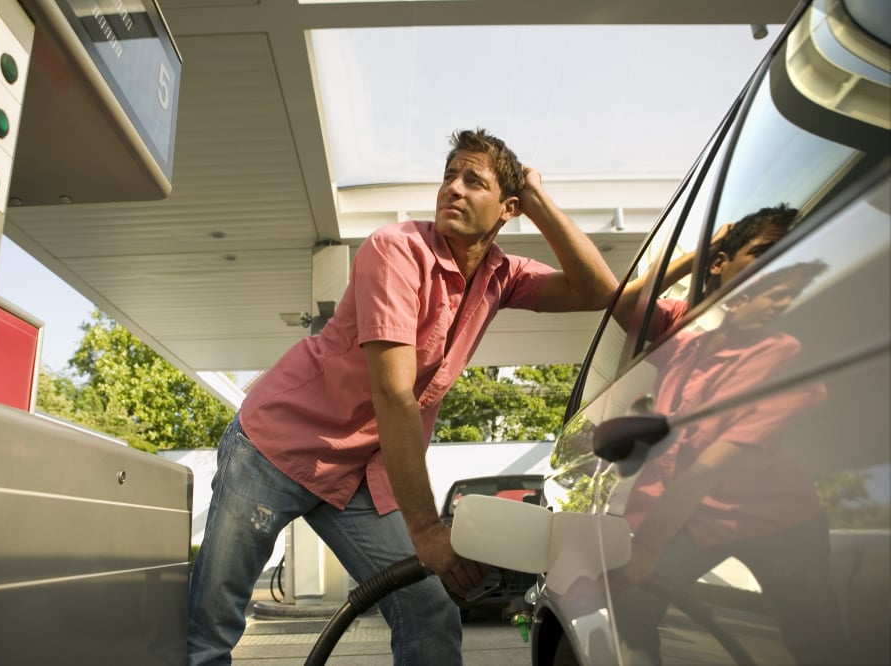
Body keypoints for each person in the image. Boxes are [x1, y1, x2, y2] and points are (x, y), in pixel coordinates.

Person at [186, 128, 618, 665]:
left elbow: (600, 291)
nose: (452, 189)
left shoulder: (502, 275)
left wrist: (538, 200)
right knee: (212, 629)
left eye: (473, 181)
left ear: (507, 208)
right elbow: (393, 394)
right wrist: (426, 529)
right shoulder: (395, 250)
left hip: (358, 475)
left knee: (429, 611)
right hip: (274, 449)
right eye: (448, 176)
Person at [609, 259, 848, 665]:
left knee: (814, 640)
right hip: (696, 517)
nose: (783, 304)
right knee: (631, 609)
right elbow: (623, 306)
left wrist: (648, 547)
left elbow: (707, 467)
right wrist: (695, 257)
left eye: (789, 297)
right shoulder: (684, 346)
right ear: (741, 299)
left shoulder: (780, 353)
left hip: (777, 521)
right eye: (776, 294)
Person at [612, 203, 799, 338]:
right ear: (718, 264)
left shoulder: (782, 331)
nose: (773, 267)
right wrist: (701, 255)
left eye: (781, 258)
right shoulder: (679, 315)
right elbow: (624, 305)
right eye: (761, 254)